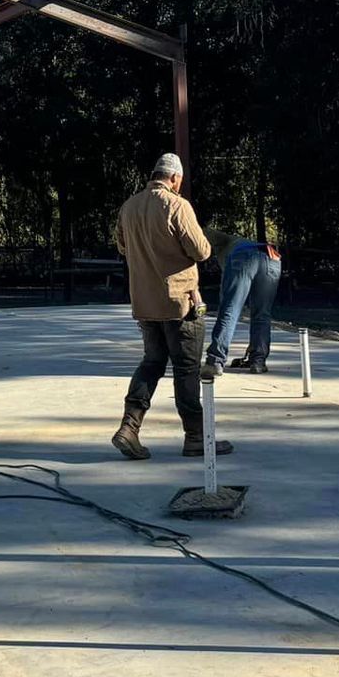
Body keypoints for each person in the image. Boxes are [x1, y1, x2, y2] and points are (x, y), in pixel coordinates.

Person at [109, 152, 233, 461]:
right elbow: (201, 251)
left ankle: (129, 428)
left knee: (151, 363)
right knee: (186, 369)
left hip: (145, 303)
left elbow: (122, 246)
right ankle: (196, 437)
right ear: (175, 178)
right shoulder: (177, 205)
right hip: (180, 302)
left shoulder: (129, 207)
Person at [202, 230, 283, 376]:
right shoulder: (234, 240)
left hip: (243, 256)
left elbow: (199, 235)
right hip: (271, 257)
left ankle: (215, 361)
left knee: (229, 311)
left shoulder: (219, 242)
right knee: (262, 314)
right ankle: (258, 361)